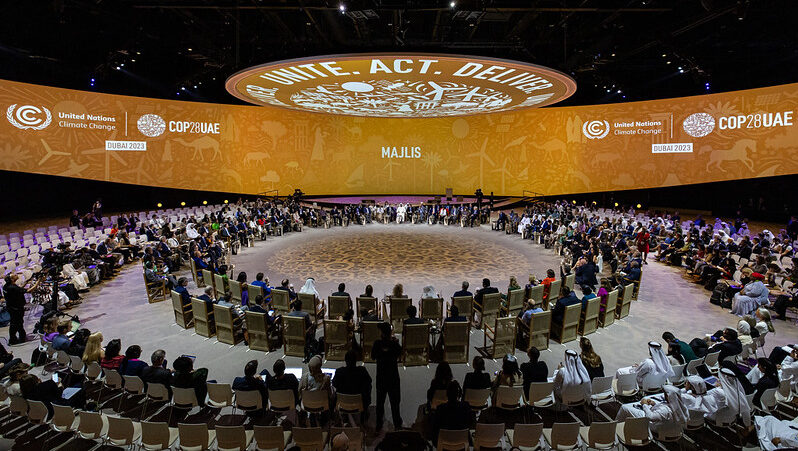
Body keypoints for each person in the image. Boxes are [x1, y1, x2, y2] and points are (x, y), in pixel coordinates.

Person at [615, 386, 689, 433]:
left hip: (655, 427)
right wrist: (654, 404)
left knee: (624, 407)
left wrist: (644, 405)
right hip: (668, 426)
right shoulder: (679, 406)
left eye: (665, 394)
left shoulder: (665, 410)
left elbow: (650, 417)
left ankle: (615, 427)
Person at [371, 322, 403, 431]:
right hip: (393, 376)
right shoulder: (394, 344)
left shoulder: (377, 344)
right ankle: (397, 424)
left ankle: (379, 425)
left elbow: (373, 356)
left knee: (380, 403)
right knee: (395, 403)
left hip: (381, 377)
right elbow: (400, 354)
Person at [333, 349, 372, 423]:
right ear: (356, 360)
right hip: (359, 404)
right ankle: (363, 421)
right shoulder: (362, 371)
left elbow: (334, 384)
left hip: (342, 404)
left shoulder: (339, 372)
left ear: (345, 360)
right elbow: (368, 383)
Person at [4, 273, 43, 344]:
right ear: (12, 279)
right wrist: (38, 282)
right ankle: (14, 339)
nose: (17, 275)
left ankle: (19, 337)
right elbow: (29, 291)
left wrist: (27, 281)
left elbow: (20, 289)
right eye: (14, 275)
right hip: (16, 309)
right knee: (16, 324)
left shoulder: (7, 286)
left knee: (17, 323)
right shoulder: (13, 287)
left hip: (12, 308)